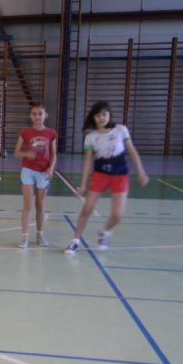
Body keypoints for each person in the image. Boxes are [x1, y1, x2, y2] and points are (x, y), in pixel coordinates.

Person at [65, 101, 149, 254]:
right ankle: (75, 241)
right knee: (87, 209)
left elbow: (132, 151)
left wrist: (141, 171)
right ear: (94, 118)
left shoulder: (121, 130)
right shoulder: (91, 137)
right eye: (98, 115)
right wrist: (82, 184)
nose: (101, 118)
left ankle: (105, 232)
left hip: (120, 175)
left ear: (109, 115)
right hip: (100, 175)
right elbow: (87, 161)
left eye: (104, 114)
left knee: (117, 215)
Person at [13, 102, 58, 249]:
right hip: (28, 171)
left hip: (43, 172)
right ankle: (24, 237)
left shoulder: (51, 133)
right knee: (27, 204)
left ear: (46, 115)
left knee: (40, 204)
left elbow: (54, 154)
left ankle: (39, 235)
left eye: (40, 113)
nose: (37, 116)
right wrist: (27, 153)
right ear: (30, 116)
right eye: (34, 114)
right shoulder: (25, 132)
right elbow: (16, 153)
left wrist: (51, 169)